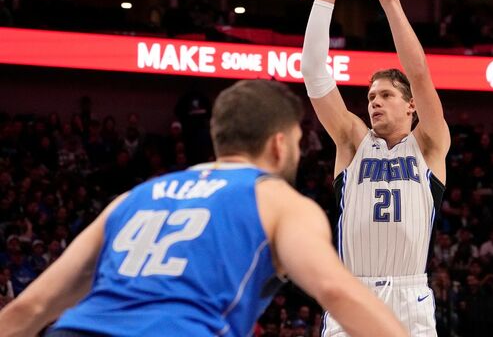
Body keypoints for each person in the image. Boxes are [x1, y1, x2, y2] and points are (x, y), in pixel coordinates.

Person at [0, 80, 407, 337]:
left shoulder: (134, 197)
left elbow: (29, 308)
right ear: (279, 144)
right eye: (299, 143)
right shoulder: (279, 201)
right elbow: (335, 290)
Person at [300, 0, 450, 336]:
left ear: (411, 105)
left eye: (385, 95)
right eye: (370, 97)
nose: (374, 102)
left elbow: (419, 74)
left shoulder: (429, 144)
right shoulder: (351, 140)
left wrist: (389, 0)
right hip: (354, 292)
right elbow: (313, 72)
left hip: (409, 295)